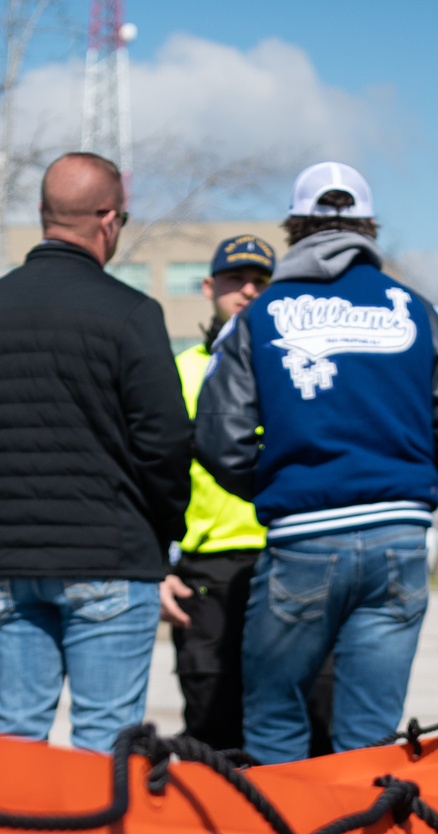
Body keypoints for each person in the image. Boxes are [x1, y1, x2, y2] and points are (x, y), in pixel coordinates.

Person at [196, 163, 438, 762]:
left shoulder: (258, 315)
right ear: (368, 227)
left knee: (275, 717)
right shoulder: (416, 310)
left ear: (295, 227)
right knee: (371, 740)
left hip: (303, 536)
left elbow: (220, 437)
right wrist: (406, 475)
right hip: (400, 538)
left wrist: (281, 483)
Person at [0, 152, 192, 753]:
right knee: (106, 743)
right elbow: (165, 441)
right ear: (108, 220)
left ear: (42, 216)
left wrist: (4, 505)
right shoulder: (131, 313)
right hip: (110, 554)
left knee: (16, 737)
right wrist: (161, 534)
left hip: (9, 558)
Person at [163, 234, 274, 749]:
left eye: (260, 281)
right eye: (235, 279)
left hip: (288, 558)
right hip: (209, 568)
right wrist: (155, 566)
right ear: (209, 287)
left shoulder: (292, 370)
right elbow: (150, 472)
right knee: (212, 719)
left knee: (305, 718)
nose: (248, 291)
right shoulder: (178, 371)